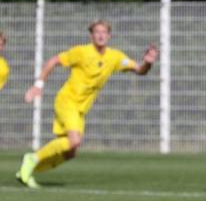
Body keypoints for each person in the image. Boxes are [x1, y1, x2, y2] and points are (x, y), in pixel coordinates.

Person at [16, 19, 158, 188]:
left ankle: (28, 170)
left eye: (104, 32)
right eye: (97, 32)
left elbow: (139, 70)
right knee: (74, 141)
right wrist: (37, 86)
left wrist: (148, 63)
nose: (100, 35)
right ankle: (31, 159)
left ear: (109, 36)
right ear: (91, 36)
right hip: (67, 101)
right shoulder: (81, 52)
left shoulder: (115, 57)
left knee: (70, 152)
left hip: (80, 110)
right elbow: (53, 61)